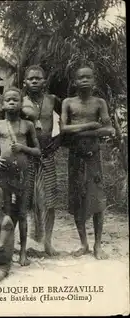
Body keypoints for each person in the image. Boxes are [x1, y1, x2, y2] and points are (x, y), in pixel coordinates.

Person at [60, 66, 114, 260]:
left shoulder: (99, 103)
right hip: (75, 157)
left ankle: (98, 245)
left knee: (97, 200)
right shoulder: (68, 102)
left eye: (87, 77)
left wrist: (82, 131)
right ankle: (84, 244)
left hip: (93, 157)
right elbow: (64, 128)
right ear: (74, 82)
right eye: (80, 77)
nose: (84, 80)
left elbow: (108, 130)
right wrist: (91, 125)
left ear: (94, 81)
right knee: (77, 199)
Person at [0, 87, 41, 266]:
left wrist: (23, 148)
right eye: (8, 100)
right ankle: (8, 249)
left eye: (15, 100)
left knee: (22, 213)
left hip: (24, 175)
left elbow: (37, 150)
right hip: (4, 175)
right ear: (2, 105)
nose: (11, 103)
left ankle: (23, 252)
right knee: (7, 213)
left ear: (21, 103)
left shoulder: (28, 125)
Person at [21, 65, 62, 255]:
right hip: (28, 156)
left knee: (49, 200)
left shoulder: (53, 100)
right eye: (31, 79)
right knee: (27, 199)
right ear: (25, 83)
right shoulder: (20, 102)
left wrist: (59, 139)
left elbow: (66, 120)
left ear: (45, 82)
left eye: (38, 78)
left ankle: (48, 242)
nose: (35, 81)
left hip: (47, 155)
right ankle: (27, 243)